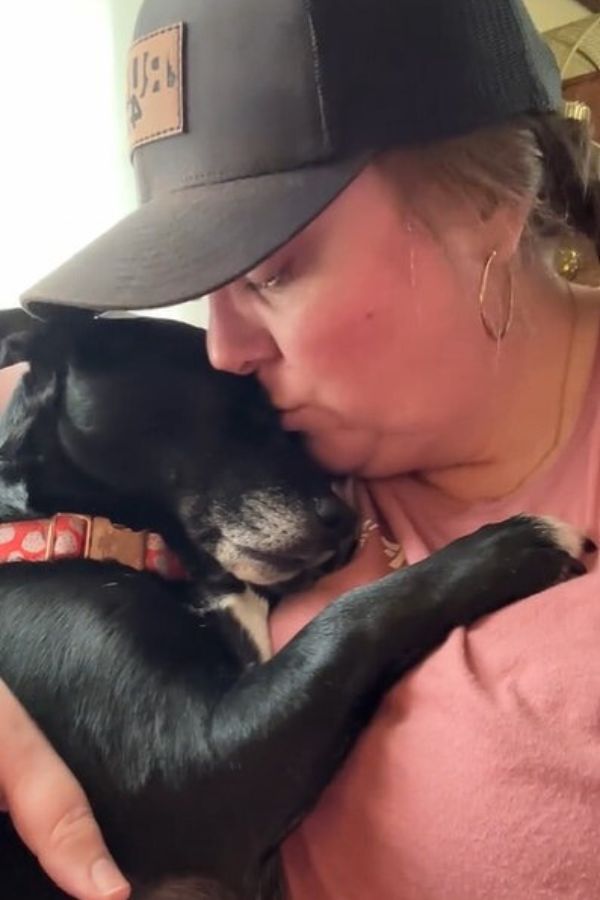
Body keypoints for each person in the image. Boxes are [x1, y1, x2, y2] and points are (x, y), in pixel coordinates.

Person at [5, 0, 600, 896]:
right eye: (203, 285)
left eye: (272, 271)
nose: (221, 349)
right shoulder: (262, 435)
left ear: (489, 199)